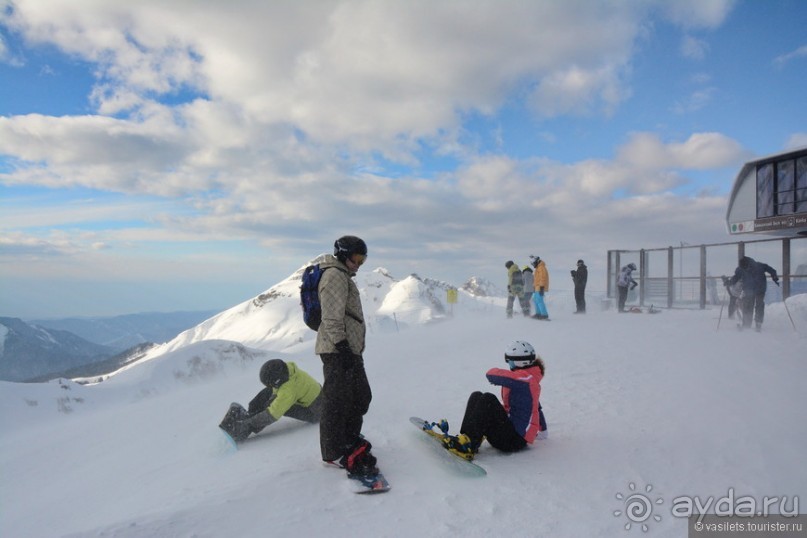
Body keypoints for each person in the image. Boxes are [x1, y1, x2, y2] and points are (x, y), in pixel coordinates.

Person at [315, 235, 378, 476]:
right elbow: (331, 317)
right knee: (336, 401)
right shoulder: (334, 276)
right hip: (337, 350)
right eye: (356, 258)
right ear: (343, 254)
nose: (359, 264)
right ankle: (333, 452)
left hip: (347, 350)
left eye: (363, 259)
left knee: (360, 396)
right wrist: (342, 348)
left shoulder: (343, 276)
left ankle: (348, 437)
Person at [436, 340, 547, 459]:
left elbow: (492, 375)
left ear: (519, 362)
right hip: (509, 433)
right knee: (477, 395)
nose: (509, 364)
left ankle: (468, 445)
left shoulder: (526, 379)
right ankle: (467, 439)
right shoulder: (526, 379)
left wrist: (541, 431)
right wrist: (543, 430)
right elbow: (536, 407)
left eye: (509, 361)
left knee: (488, 399)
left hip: (514, 440)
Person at [218, 359, 322, 442]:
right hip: (311, 397)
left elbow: (272, 414)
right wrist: (262, 404)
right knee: (267, 393)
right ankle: (249, 414)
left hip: (315, 411)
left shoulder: (288, 391)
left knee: (279, 407)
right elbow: (274, 390)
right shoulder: (286, 371)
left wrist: (250, 423)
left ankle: (246, 429)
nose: (270, 386)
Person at [728, 256, 779, 331]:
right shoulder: (741, 269)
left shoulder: (759, 266)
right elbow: (736, 277)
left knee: (759, 305)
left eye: (746, 267)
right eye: (743, 268)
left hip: (760, 289)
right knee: (747, 306)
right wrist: (729, 282)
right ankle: (746, 324)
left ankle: (758, 323)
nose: (745, 269)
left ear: (748, 264)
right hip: (748, 290)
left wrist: (774, 277)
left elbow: (771, 270)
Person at [530, 256, 550, 320]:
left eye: (533, 264)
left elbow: (542, 277)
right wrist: (533, 286)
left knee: (539, 300)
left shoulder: (541, 267)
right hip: (537, 287)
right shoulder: (538, 268)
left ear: (536, 262)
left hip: (540, 286)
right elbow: (536, 279)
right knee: (535, 300)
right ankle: (538, 313)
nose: (533, 265)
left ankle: (544, 315)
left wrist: (541, 287)